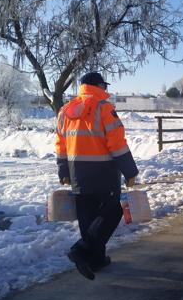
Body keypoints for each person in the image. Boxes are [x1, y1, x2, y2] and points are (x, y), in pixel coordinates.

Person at [55, 72, 138, 280]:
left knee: (88, 217)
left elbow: (61, 144)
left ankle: (96, 260)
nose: (106, 90)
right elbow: (117, 144)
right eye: (105, 86)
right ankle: (82, 249)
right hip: (104, 171)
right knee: (112, 212)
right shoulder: (104, 108)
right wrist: (130, 171)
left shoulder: (65, 110)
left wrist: (63, 169)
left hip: (77, 172)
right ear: (100, 85)